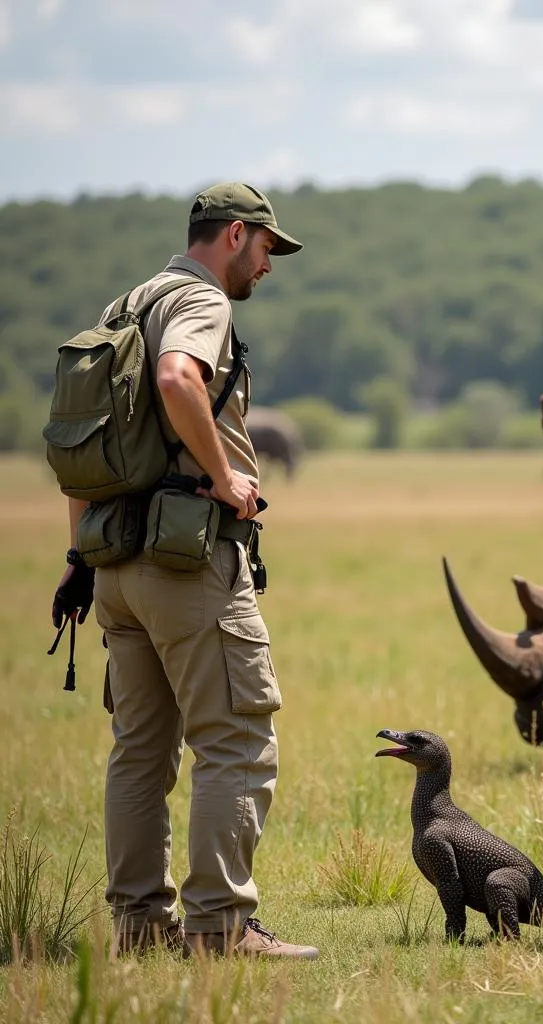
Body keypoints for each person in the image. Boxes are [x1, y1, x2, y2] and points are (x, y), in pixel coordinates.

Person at [49, 183, 318, 959]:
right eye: (268, 247)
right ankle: (221, 927)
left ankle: (138, 927)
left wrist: (79, 555)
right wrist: (229, 478)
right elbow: (176, 379)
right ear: (235, 235)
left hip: (114, 565)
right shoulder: (201, 303)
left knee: (140, 749)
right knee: (235, 739)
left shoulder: (122, 306)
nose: (269, 266)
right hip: (185, 558)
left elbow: (80, 449)